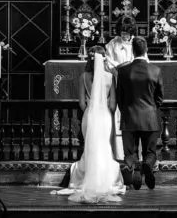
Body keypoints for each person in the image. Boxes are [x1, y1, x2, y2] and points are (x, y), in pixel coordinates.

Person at [53, 46, 126, 202]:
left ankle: (85, 176)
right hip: (105, 116)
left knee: (90, 146)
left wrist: (91, 110)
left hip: (90, 116)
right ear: (103, 58)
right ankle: (105, 178)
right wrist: (105, 109)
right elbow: (113, 105)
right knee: (104, 146)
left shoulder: (83, 76)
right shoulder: (110, 77)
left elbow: (81, 103)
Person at [116, 36, 164, 190]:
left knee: (130, 152)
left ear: (132, 50)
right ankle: (147, 165)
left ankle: (134, 168)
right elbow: (160, 98)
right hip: (150, 118)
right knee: (150, 151)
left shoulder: (123, 71)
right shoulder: (155, 70)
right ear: (146, 50)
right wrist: (151, 108)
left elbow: (119, 98)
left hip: (129, 117)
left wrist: (126, 110)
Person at [105, 16, 137, 159]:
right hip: (117, 78)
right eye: (123, 32)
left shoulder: (137, 42)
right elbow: (108, 61)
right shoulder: (113, 43)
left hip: (133, 80)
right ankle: (117, 145)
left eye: (127, 32)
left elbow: (143, 59)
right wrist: (117, 68)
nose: (124, 35)